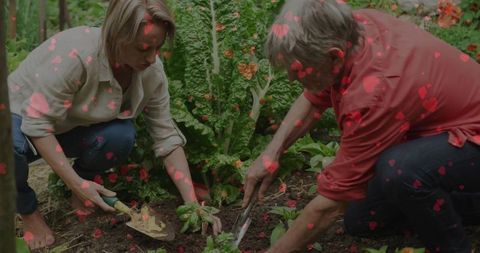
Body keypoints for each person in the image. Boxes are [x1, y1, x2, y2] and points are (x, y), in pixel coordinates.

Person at [242, 0, 480, 252]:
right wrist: (272, 152)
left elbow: (330, 206)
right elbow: (314, 99)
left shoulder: (374, 91)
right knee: (363, 220)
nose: (291, 79)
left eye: (297, 70)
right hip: (437, 136)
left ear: (334, 56)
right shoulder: (350, 28)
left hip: (472, 139)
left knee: (401, 171)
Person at [8, 0, 221, 250]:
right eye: (143, 48)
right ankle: (27, 210)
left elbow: (166, 136)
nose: (153, 58)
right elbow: (38, 125)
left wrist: (193, 205)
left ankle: (84, 192)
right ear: (117, 37)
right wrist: (74, 181)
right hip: (20, 119)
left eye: (158, 47)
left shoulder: (151, 71)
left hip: (66, 126)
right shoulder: (75, 56)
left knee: (120, 136)